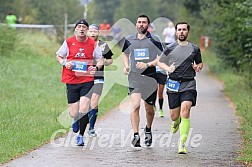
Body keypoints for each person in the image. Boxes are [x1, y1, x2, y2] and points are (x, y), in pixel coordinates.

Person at [56, 19, 103, 146]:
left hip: (87, 80)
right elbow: (59, 56)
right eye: (79, 27)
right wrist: (65, 63)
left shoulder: (93, 44)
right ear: (75, 29)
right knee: (74, 112)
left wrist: (96, 67)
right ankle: (75, 120)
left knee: (84, 108)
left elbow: (100, 60)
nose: (82, 29)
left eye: (84, 27)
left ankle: (80, 136)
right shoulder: (68, 42)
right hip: (71, 79)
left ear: (87, 30)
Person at [158, 21, 203, 154]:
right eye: (179, 30)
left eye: (184, 30)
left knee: (185, 111)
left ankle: (182, 144)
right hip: (173, 83)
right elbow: (160, 62)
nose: (182, 32)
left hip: (189, 83)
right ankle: (176, 122)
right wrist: (168, 68)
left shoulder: (194, 48)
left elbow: (200, 63)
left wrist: (198, 67)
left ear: (188, 32)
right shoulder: (170, 48)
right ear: (176, 32)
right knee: (174, 116)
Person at [122, 14, 163, 147]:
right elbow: (125, 53)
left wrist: (149, 64)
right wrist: (127, 66)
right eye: (139, 22)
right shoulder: (129, 39)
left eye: (144, 22)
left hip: (150, 78)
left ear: (148, 25)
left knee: (149, 109)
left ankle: (148, 130)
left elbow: (161, 58)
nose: (141, 24)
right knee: (135, 105)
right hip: (134, 77)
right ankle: (135, 135)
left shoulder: (154, 39)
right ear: (136, 24)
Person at [87, 24, 113, 137]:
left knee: (94, 102)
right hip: (84, 77)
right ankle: (81, 121)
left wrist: (104, 62)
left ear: (98, 32)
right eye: (91, 31)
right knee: (84, 102)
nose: (93, 33)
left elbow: (110, 60)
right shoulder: (82, 44)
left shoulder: (103, 45)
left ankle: (91, 128)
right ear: (87, 32)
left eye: (95, 31)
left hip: (98, 76)